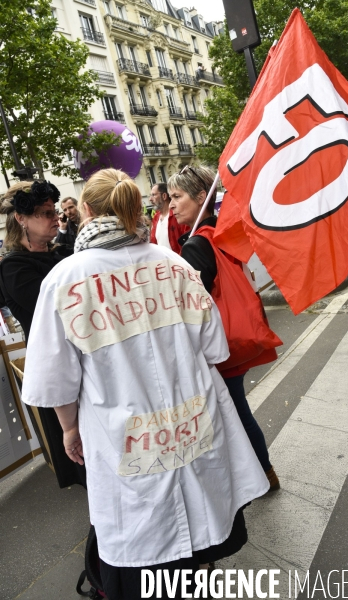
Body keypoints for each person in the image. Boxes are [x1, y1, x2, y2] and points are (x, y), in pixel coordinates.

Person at [22, 168, 269, 600]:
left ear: (85, 210)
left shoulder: (65, 280)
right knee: (197, 529)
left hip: (124, 436)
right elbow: (214, 347)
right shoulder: (173, 264)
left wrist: (69, 428)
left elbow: (56, 379)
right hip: (191, 421)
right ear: (136, 209)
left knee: (146, 547)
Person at [168, 165, 281, 490]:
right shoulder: (220, 232)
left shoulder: (195, 245)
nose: (172, 205)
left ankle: (261, 475)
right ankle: (262, 473)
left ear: (201, 197)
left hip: (218, 345)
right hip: (236, 335)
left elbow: (193, 306)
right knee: (236, 409)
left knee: (234, 413)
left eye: (177, 197)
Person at [0, 179, 86, 489]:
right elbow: (57, 311)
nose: (55, 218)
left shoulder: (61, 253)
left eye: (54, 211)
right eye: (45, 213)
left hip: (84, 358)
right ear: (21, 219)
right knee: (82, 455)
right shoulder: (13, 267)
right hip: (55, 365)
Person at [149, 182, 188, 253]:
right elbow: (154, 243)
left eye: (153, 195)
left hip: (179, 262)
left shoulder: (177, 215)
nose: (150, 199)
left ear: (164, 196)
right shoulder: (155, 217)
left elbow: (186, 242)